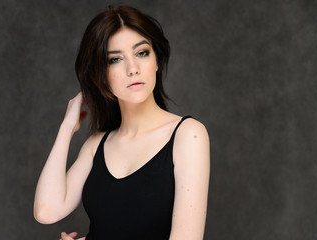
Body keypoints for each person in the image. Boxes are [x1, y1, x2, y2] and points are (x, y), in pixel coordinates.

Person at [33, 5, 210, 240]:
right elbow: (47, 211)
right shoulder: (97, 144)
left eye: (142, 53)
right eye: (116, 59)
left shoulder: (188, 135)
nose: (133, 69)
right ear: (100, 75)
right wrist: (66, 128)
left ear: (157, 61)